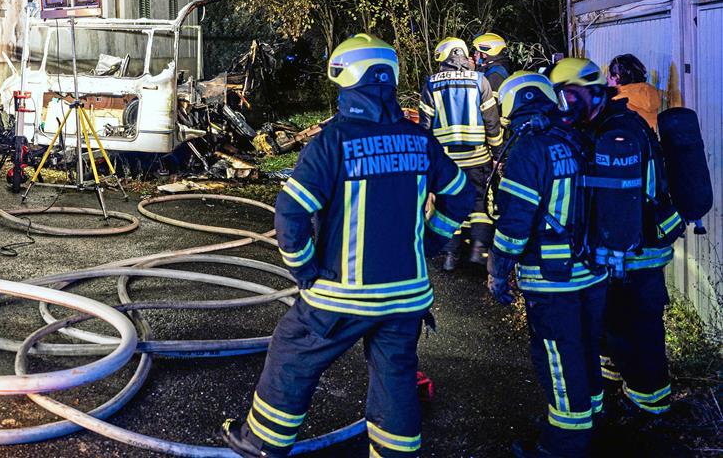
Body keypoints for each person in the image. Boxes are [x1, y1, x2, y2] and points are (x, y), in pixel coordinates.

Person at [221, 34, 476, 458]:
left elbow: (290, 213)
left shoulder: (333, 143)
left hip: (342, 294)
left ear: (345, 79)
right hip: (407, 295)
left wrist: (304, 271)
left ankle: (262, 441)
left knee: (293, 351)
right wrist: (432, 238)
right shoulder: (419, 140)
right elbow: (461, 194)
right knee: (395, 376)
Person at [549, 57, 683, 418]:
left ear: (578, 94)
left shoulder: (613, 134)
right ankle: (625, 385)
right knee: (625, 326)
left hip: (632, 253)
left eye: (565, 97)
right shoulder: (624, 120)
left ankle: (649, 408)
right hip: (644, 243)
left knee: (636, 329)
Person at [487, 72, 607, 458]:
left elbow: (515, 225)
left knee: (559, 358)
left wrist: (498, 269)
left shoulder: (529, 149)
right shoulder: (578, 137)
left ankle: (564, 444)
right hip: (593, 270)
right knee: (586, 347)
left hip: (553, 278)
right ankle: (591, 421)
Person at [419, 36, 504, 269]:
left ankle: (449, 256)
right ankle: (478, 250)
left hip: (446, 161)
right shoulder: (480, 81)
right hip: (478, 158)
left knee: (446, 204)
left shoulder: (432, 84)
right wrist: (498, 152)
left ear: (445, 57)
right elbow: (492, 122)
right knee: (480, 204)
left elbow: (424, 127)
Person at [607, 53, 664, 131]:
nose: (607, 79)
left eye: (608, 76)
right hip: (649, 140)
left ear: (617, 77)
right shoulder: (651, 93)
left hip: (628, 140)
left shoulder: (618, 101)